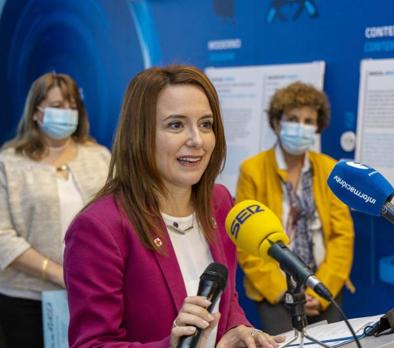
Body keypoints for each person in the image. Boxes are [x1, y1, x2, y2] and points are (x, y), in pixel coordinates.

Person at [64, 65, 283, 347]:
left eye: (206, 124)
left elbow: (226, 301)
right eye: (176, 125)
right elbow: (92, 344)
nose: (197, 140)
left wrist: (238, 327)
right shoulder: (99, 228)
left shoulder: (220, 202)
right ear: (139, 134)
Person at [0, 72, 111, 348]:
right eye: (57, 106)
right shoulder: (8, 164)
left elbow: (117, 216)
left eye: (72, 106)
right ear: (36, 112)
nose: (66, 113)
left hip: (92, 290)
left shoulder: (99, 157)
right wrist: (57, 273)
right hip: (24, 297)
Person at [235, 81, 355, 335]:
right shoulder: (252, 170)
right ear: (277, 123)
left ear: (317, 127)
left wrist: (321, 289)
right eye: (293, 118)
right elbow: (246, 243)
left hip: (324, 286)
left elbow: (342, 236)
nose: (301, 127)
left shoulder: (329, 168)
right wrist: (284, 291)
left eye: (309, 121)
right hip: (276, 294)